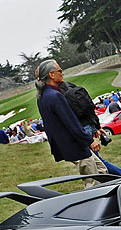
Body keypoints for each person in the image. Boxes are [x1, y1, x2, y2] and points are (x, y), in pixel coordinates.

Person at [34, 60, 108, 188]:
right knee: (93, 182)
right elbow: (71, 123)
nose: (62, 74)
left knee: (102, 171)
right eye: (60, 71)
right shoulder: (55, 96)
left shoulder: (42, 96)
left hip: (68, 144)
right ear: (51, 75)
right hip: (74, 145)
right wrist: (89, 140)